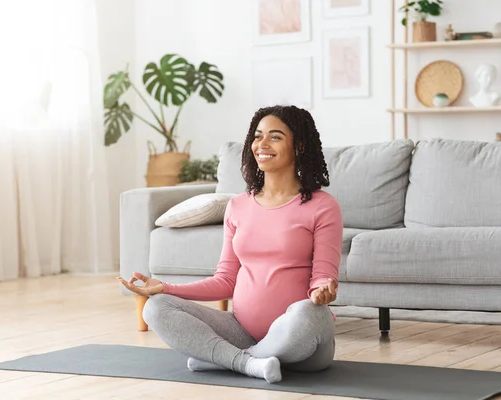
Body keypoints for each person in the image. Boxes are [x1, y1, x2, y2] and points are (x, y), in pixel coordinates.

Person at [118, 105, 343, 384]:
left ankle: (229, 359)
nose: (262, 144)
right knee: (155, 307)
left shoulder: (322, 206)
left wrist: (323, 290)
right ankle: (249, 363)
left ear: (298, 146)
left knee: (310, 313)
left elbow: (322, 276)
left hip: (302, 343)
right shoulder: (237, 206)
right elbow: (225, 281)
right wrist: (165, 287)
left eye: (275, 137)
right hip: (242, 330)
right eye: (257, 136)